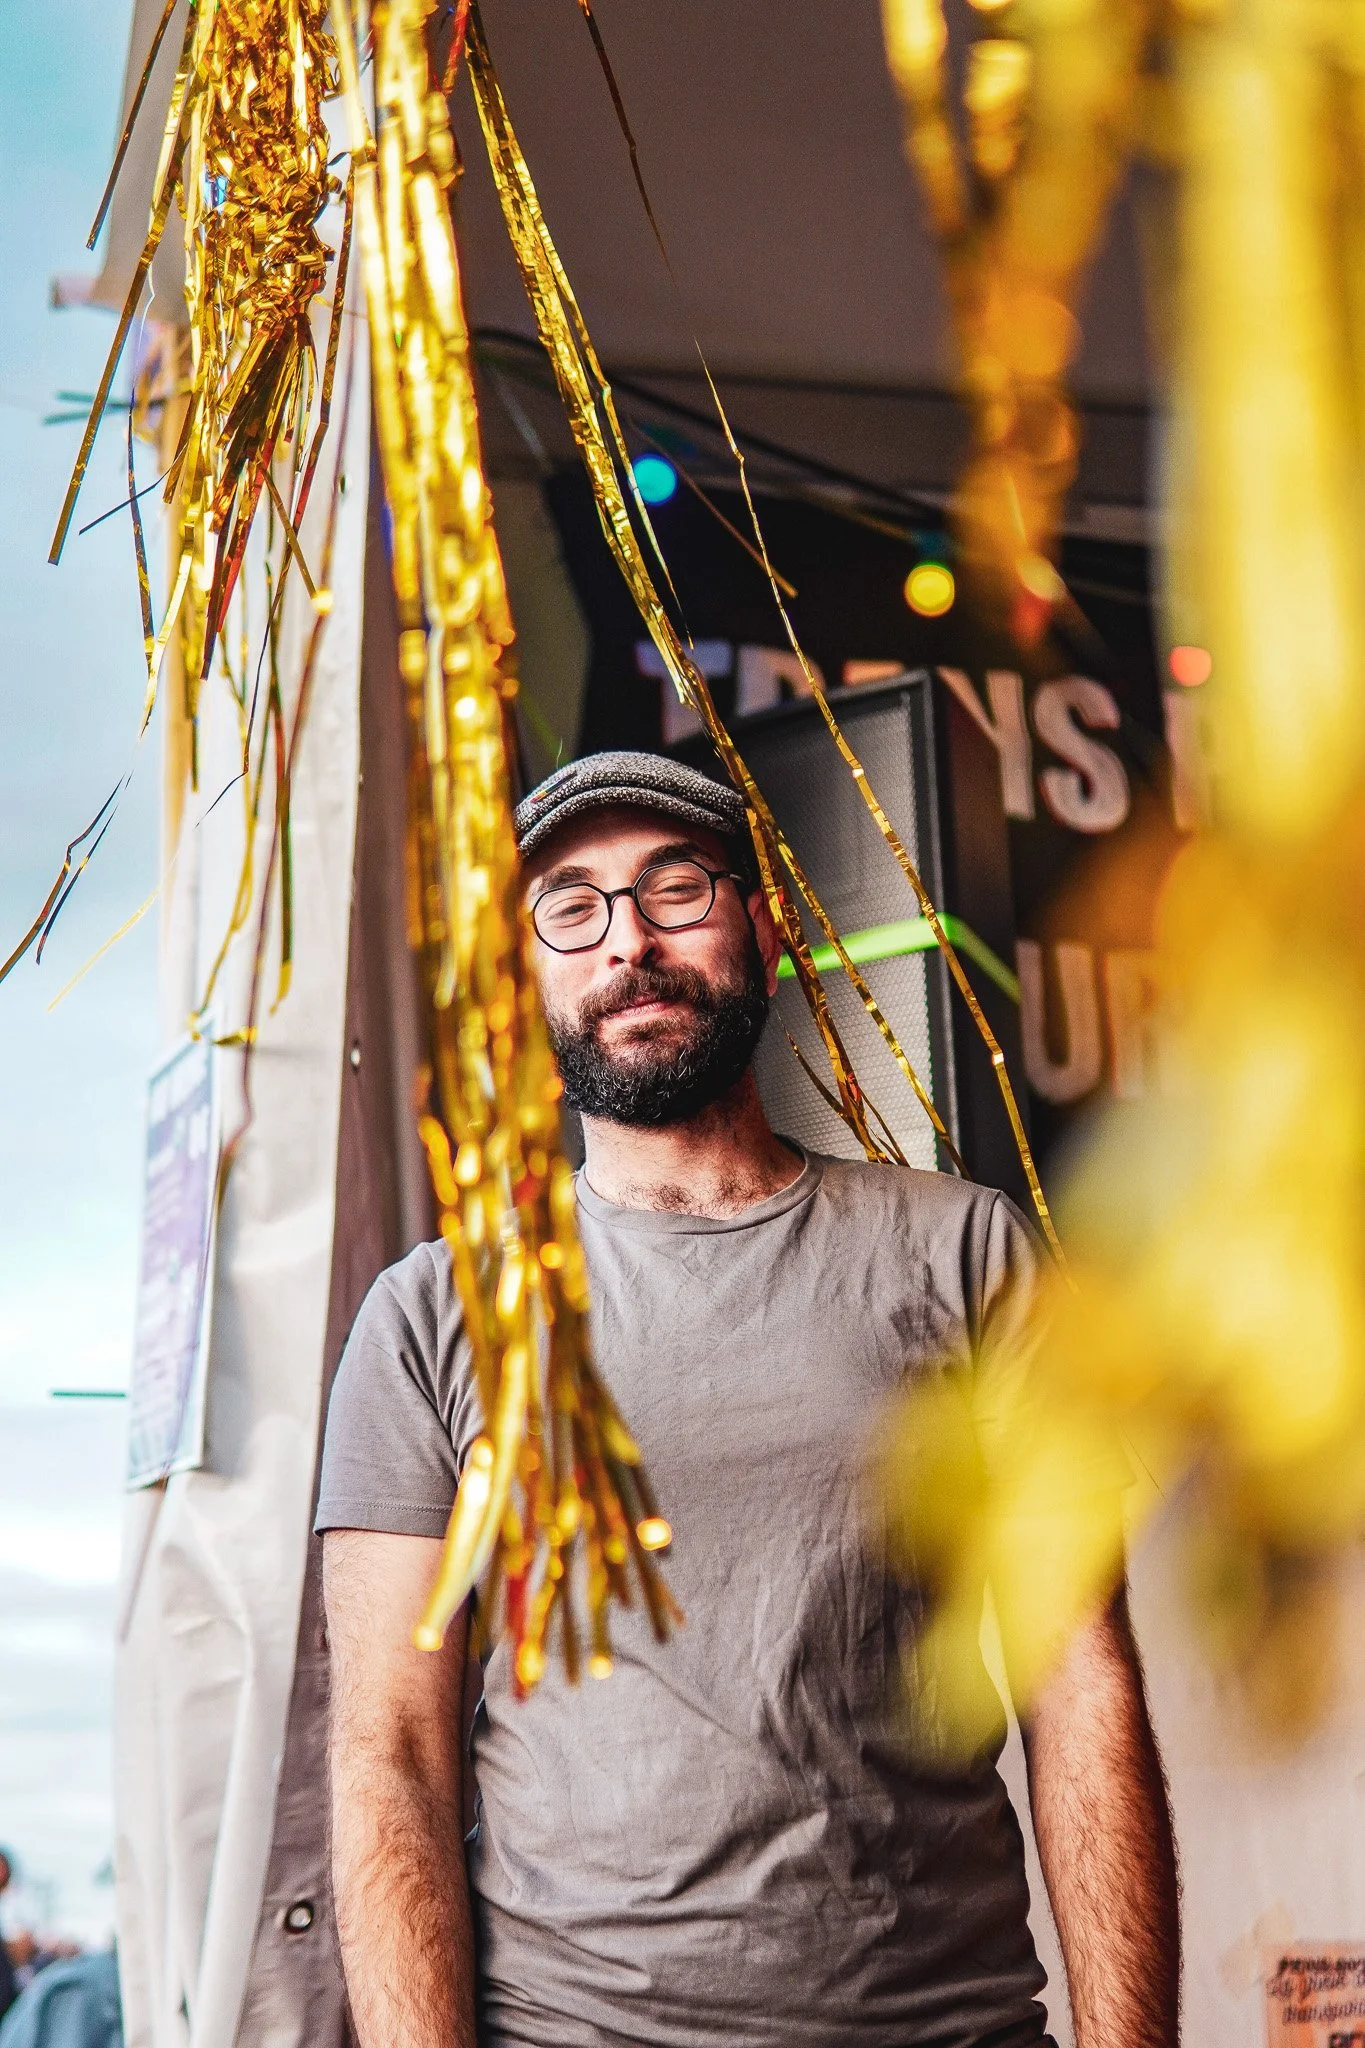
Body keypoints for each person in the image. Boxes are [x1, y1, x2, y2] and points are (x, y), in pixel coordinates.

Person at [318, 749, 1180, 2048]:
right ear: (521, 974)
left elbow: (1084, 1687)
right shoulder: (435, 1319)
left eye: (678, 889)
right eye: (573, 907)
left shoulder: (967, 1255)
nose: (629, 943)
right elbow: (391, 1751)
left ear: (766, 929)